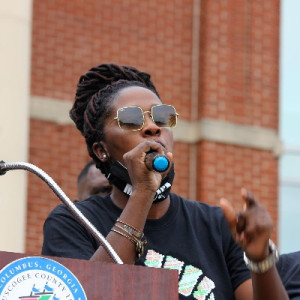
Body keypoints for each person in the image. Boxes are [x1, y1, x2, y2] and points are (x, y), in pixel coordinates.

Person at [42, 63, 288, 299]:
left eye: (162, 117)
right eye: (130, 120)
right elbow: (90, 294)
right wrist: (143, 192)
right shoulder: (72, 222)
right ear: (101, 150)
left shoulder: (217, 226)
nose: (152, 127)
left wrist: (260, 259)